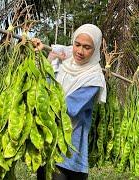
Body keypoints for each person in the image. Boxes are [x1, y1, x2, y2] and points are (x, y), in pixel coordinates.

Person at [32, 24, 107, 180]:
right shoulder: (66, 62)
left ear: (95, 49)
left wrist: (41, 95)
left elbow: (69, 108)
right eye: (77, 44)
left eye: (87, 47)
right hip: (48, 138)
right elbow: (45, 79)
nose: (80, 51)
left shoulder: (94, 78)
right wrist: (40, 55)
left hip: (69, 146)